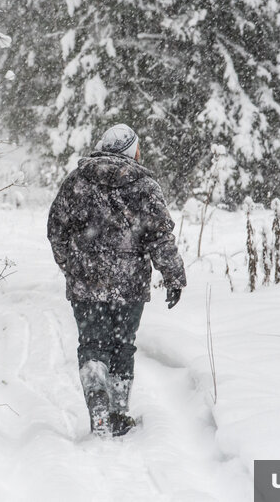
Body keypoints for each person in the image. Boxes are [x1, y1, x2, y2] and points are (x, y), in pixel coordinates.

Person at [47, 123, 187, 437]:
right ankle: (119, 413)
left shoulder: (77, 182)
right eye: (137, 148)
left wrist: (72, 266)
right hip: (130, 284)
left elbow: (56, 230)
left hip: (88, 283)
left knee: (93, 346)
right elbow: (161, 237)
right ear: (129, 150)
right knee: (123, 347)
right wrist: (173, 276)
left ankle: (98, 409)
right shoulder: (144, 185)